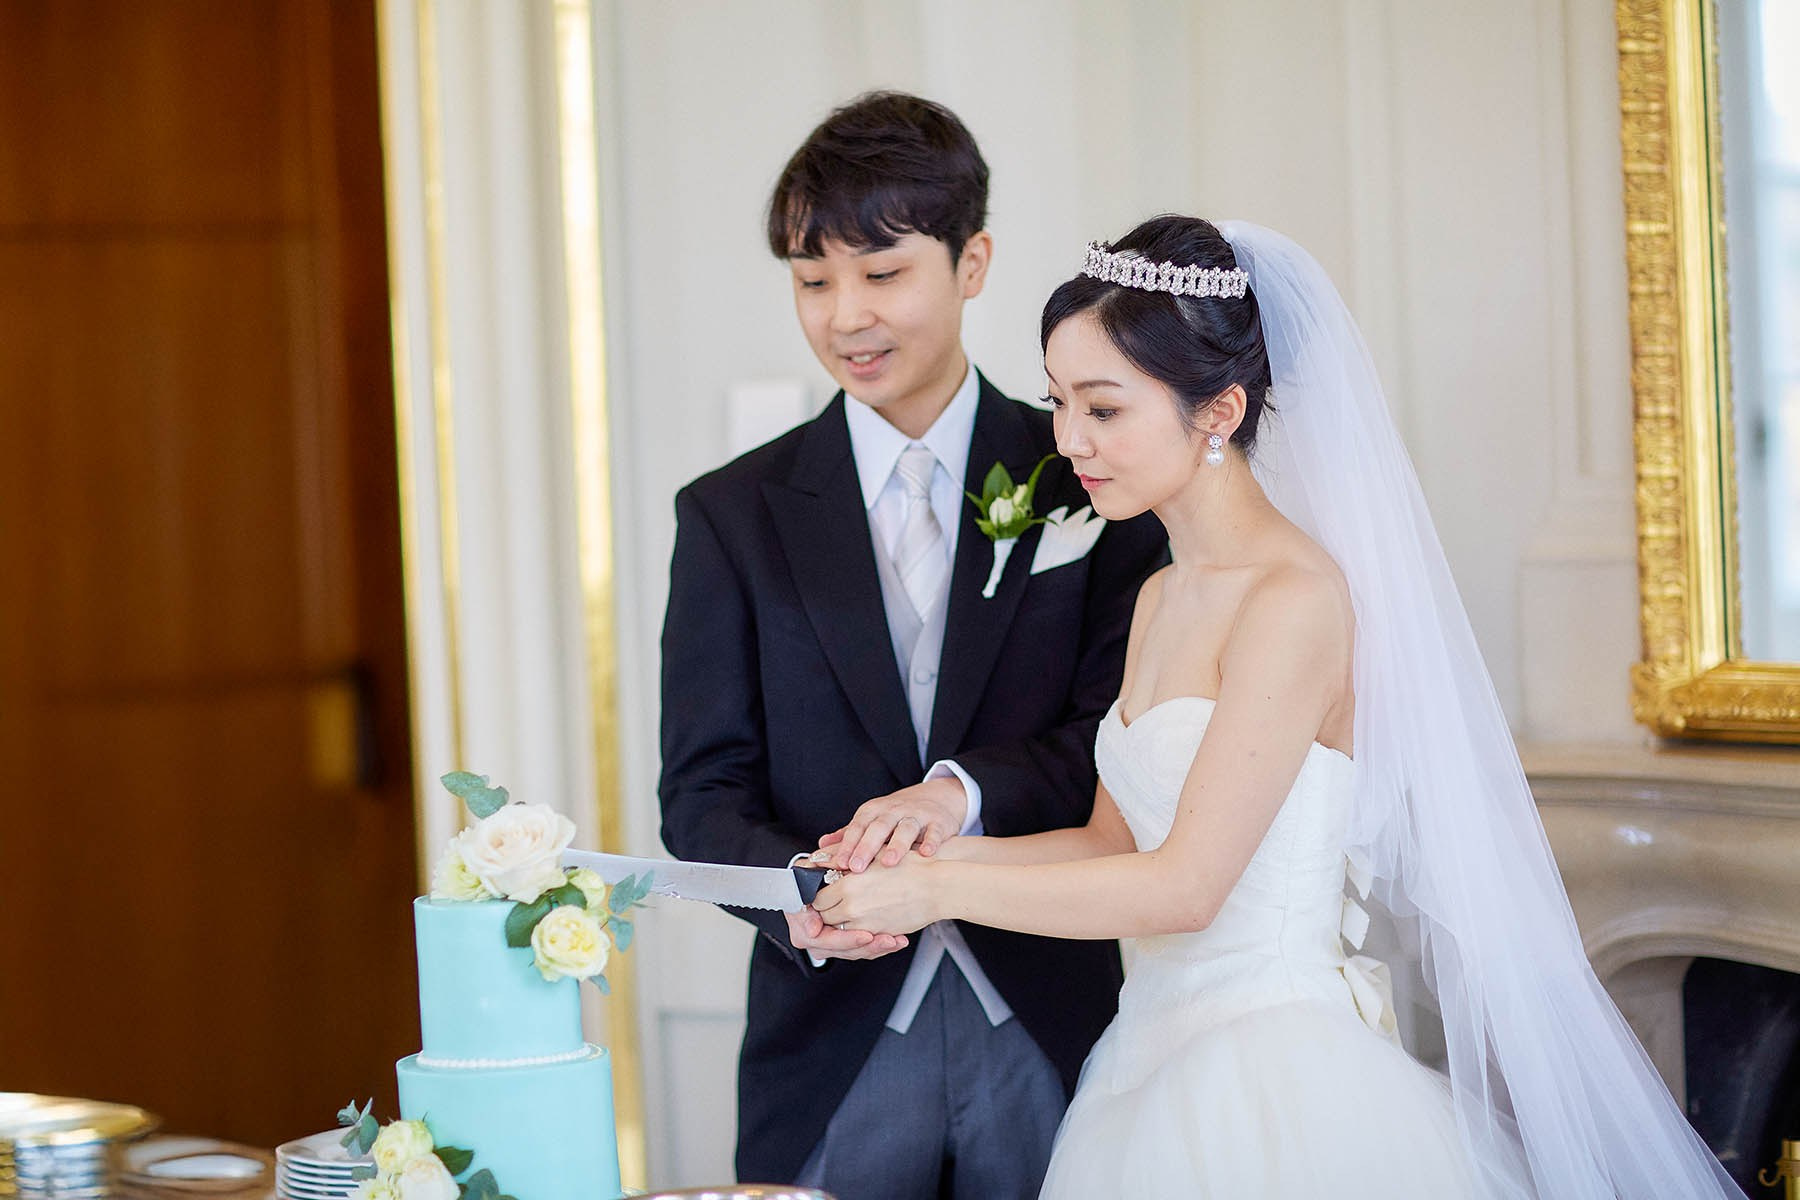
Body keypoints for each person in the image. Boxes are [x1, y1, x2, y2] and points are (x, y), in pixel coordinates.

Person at [814, 215, 1748, 1198]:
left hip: (1273, 1082)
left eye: (1103, 409)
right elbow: (1107, 846)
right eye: (1059, 402)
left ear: (1216, 412)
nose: (1069, 442)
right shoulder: (1163, 596)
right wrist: (921, 859)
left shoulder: (1295, 600)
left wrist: (937, 891)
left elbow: (1185, 888)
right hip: (1147, 1065)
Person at [656, 92, 1166, 1197]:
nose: (846, 315)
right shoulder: (730, 517)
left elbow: (1114, 736)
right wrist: (801, 897)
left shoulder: (1090, 475)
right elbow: (703, 792)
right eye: (812, 280)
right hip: (829, 1037)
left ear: (971, 262)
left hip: (1048, 1013)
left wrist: (960, 796)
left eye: (883, 274)